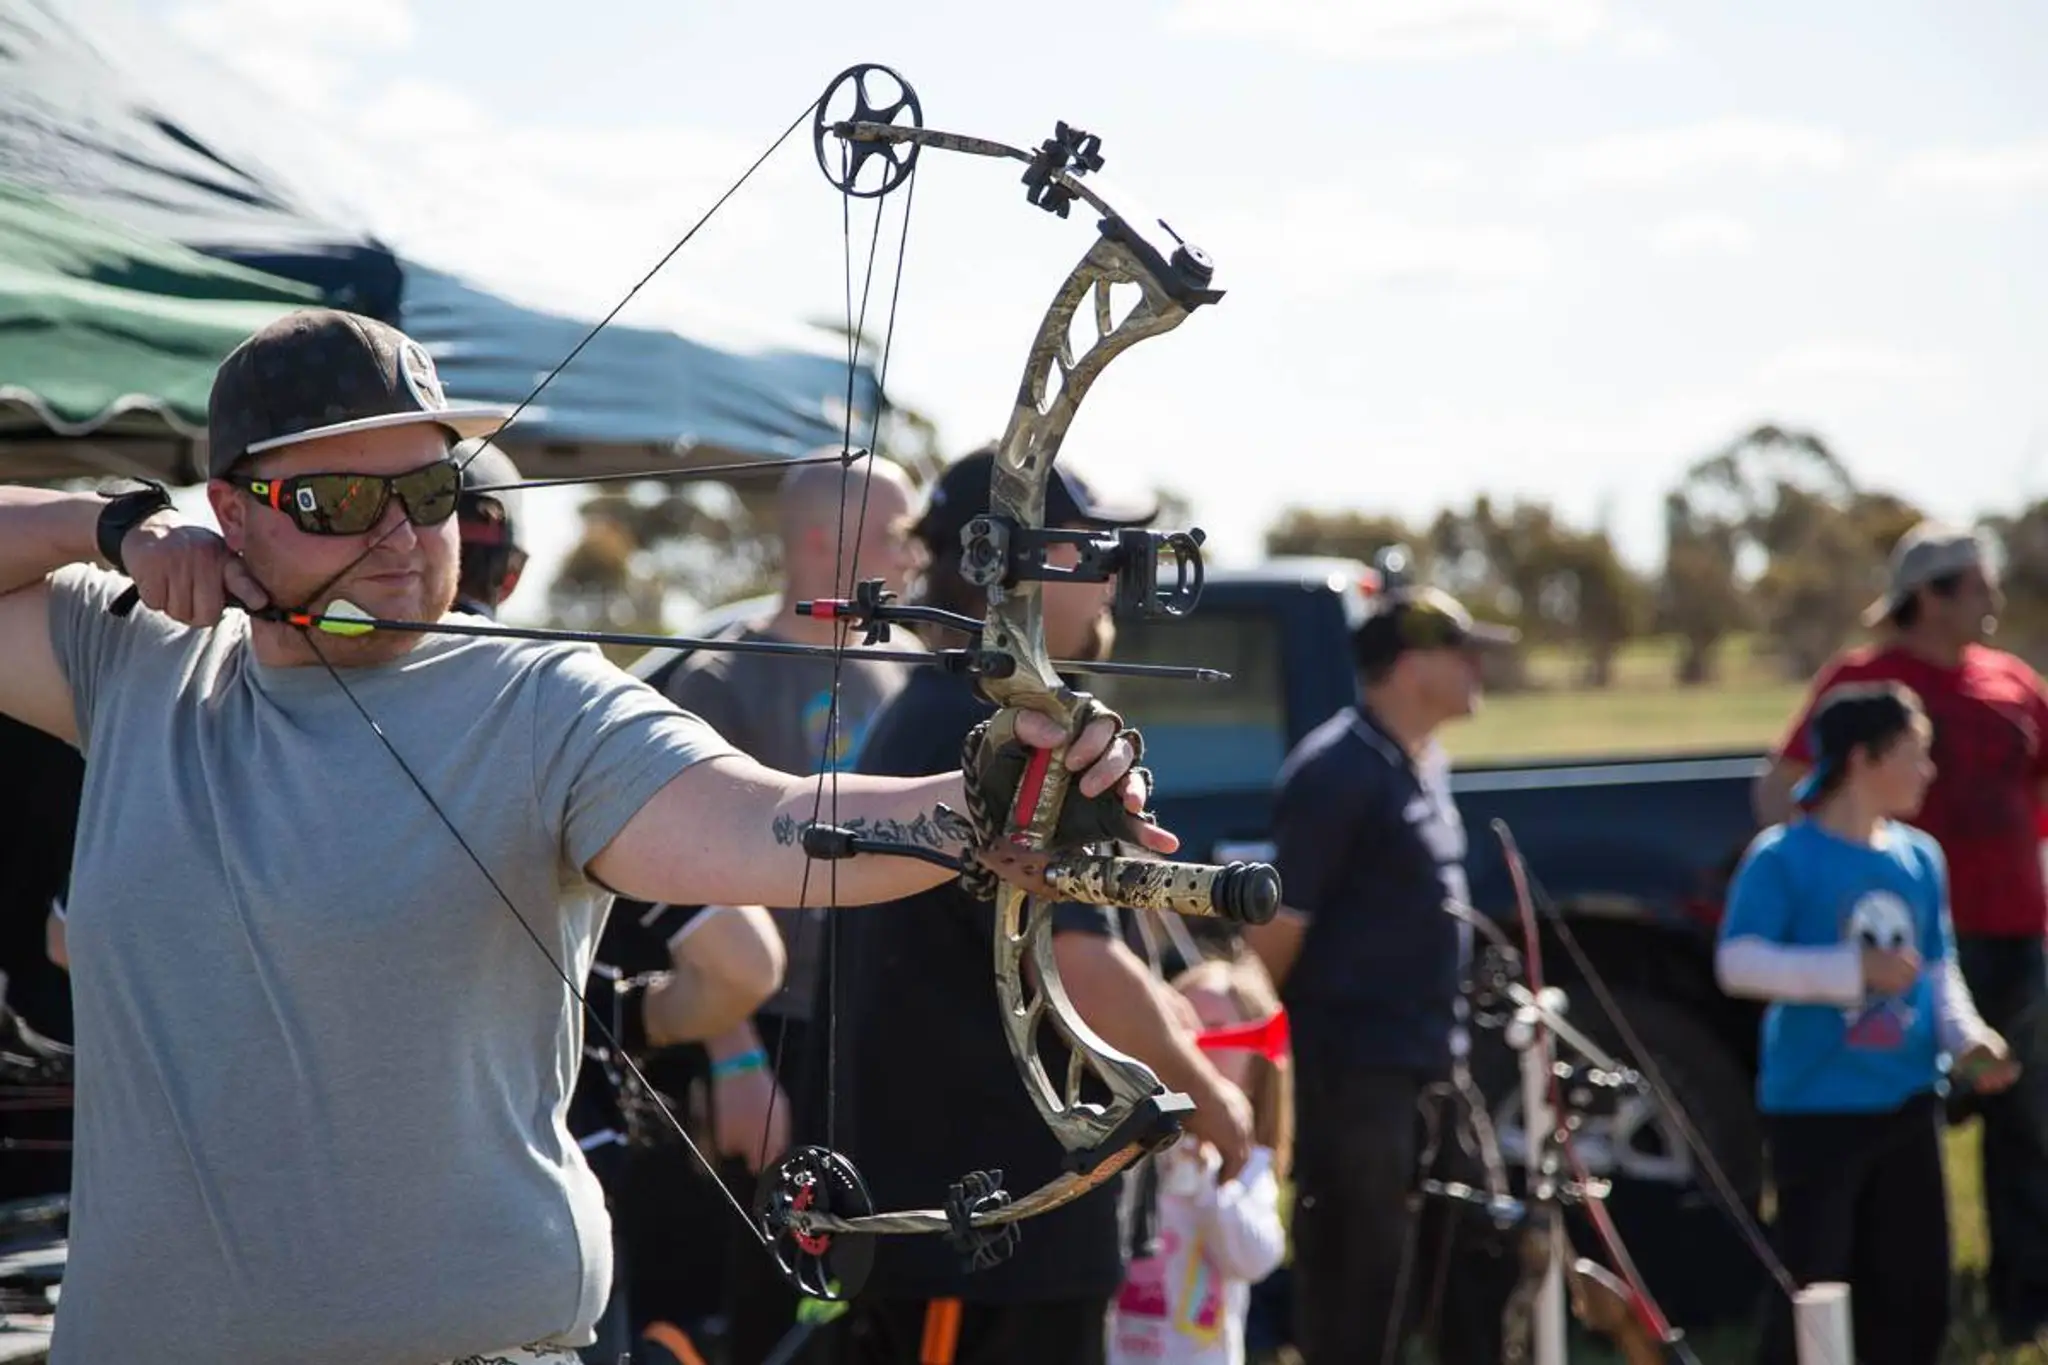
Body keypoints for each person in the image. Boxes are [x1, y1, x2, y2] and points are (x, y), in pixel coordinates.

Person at [0, 307, 1164, 1365]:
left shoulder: (537, 701)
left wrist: (977, 804)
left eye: (431, 493)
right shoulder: (135, 660)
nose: (403, 537)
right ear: (234, 513)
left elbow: (766, 819)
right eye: (343, 503)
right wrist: (104, 525)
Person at [829, 444, 1255, 1365]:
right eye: (1094, 546)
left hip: (993, 1230)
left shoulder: (942, 708)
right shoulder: (997, 726)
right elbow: (1088, 972)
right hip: (991, 1242)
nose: (1111, 572)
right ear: (1024, 560)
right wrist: (1208, 1090)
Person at [623, 449, 923, 1365]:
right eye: (894, 534)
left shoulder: (909, 670)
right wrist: (736, 1053)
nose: (912, 555)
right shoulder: (717, 678)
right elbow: (676, 881)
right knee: (743, 1309)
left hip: (868, 1033)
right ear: (823, 540)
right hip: (760, 1042)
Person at [1754, 521, 2048, 1346]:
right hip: (1883, 951)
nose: (1994, 598)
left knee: (2026, 1121)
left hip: (2011, 932)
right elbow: (1784, 791)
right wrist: (1814, 902)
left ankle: (2025, 1297)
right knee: (1885, 1130)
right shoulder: (1866, 685)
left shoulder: (2016, 682)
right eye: (1978, 583)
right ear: (1933, 593)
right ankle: (1830, 1322)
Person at [1244, 560, 1522, 1365]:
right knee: (1360, 1287)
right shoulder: (1336, 771)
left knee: (1481, 1254)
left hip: (1438, 1065)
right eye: (1462, 650)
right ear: (1409, 662)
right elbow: (1276, 935)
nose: (1478, 668)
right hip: (1357, 1079)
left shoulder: (1423, 764)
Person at [1720, 680, 2019, 1365]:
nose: (1929, 770)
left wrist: (1965, 1035)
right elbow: (1739, 962)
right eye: (1916, 754)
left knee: (1916, 1295)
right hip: (1816, 1112)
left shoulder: (1920, 856)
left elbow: (1938, 971)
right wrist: (1852, 971)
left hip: (1909, 1104)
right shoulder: (1782, 856)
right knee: (1814, 1293)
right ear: (1863, 759)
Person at [1109, 950, 1289, 1365]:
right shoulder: (1129, 1146)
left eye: (1217, 1032)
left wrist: (1214, 1183)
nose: (1197, 1048)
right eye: (1179, 1031)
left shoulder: (1247, 1165)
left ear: (1255, 1070)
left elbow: (1255, 1257)